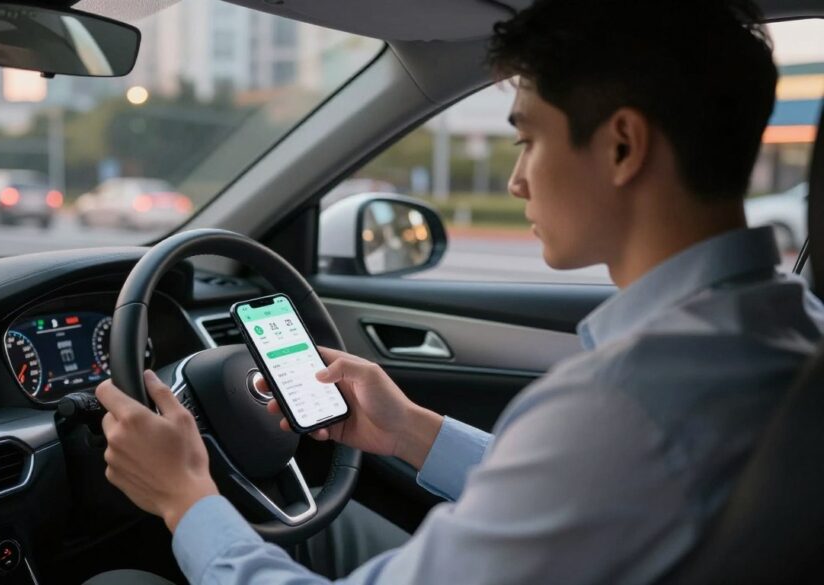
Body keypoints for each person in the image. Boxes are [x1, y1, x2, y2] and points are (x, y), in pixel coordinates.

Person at [89, 0, 824, 583]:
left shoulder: (629, 402)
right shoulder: (792, 330)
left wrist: (187, 497)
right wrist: (410, 428)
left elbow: (601, 458)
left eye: (527, 138)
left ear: (622, 146)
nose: (517, 179)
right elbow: (580, 489)